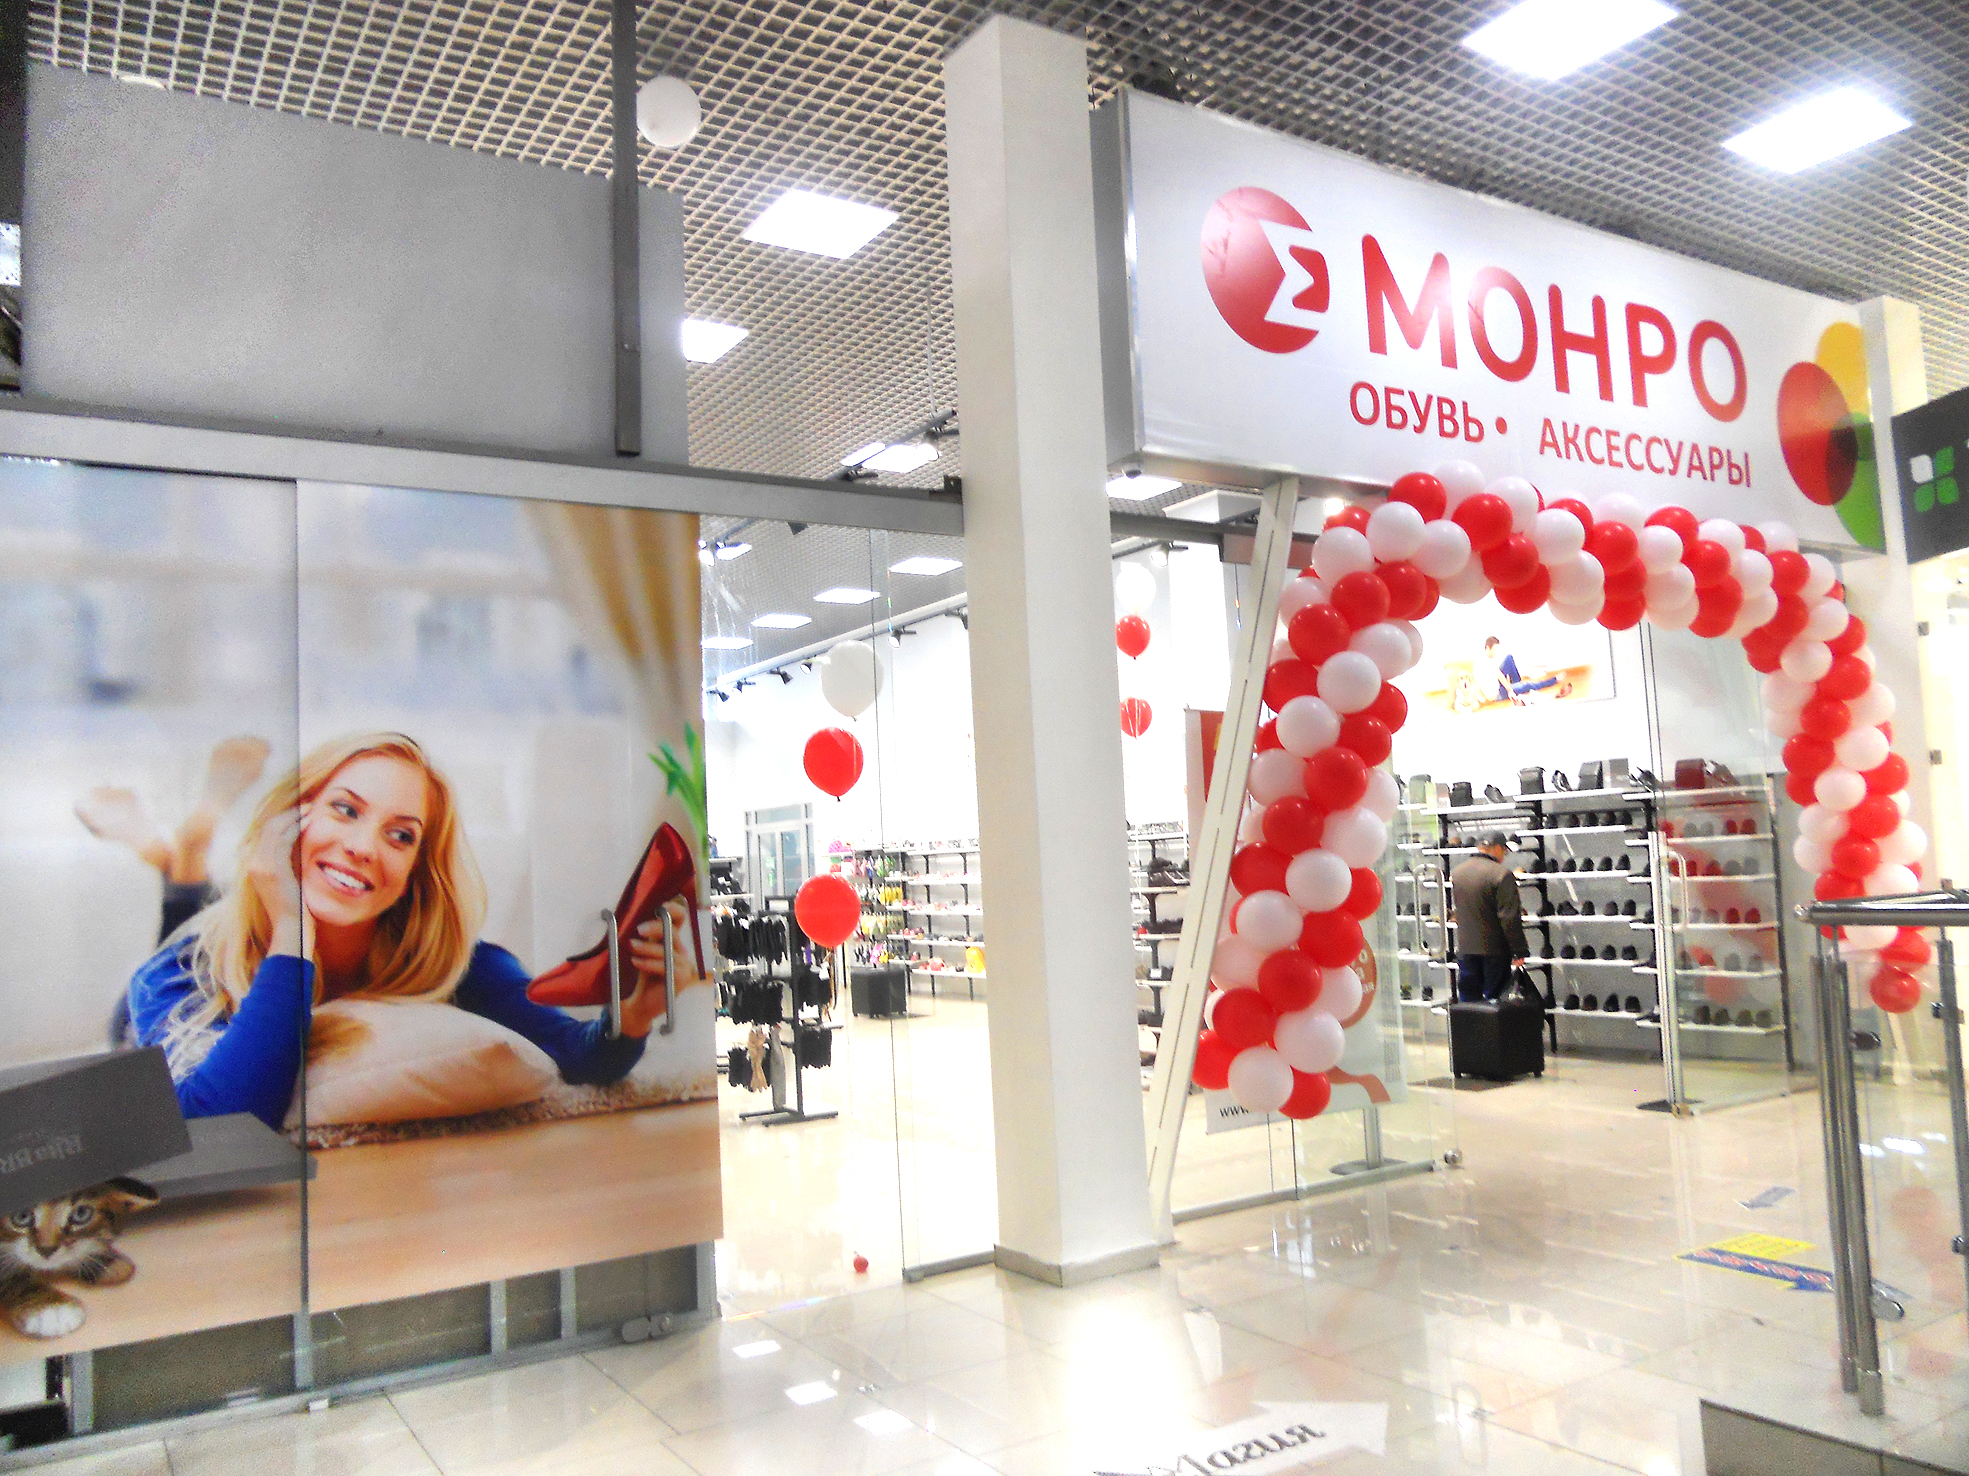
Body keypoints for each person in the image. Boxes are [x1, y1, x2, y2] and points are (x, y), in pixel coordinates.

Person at [122, 732, 697, 1130]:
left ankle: (178, 857)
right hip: (159, 986)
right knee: (190, 915)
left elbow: (579, 1057)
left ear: (414, 874)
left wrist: (634, 1015)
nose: (363, 847)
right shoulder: (170, 973)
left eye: (400, 836)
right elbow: (216, 1122)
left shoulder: (465, 967)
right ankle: (182, 861)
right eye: (345, 810)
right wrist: (293, 933)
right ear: (287, 823)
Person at [1449, 833, 1529, 1002]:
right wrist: (1519, 949)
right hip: (1495, 950)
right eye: (1505, 851)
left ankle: (1469, 1021)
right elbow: (1508, 917)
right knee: (1495, 1002)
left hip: (1465, 949)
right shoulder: (1501, 874)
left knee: (1469, 1002)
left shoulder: (1457, 873)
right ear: (1498, 848)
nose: (1504, 856)